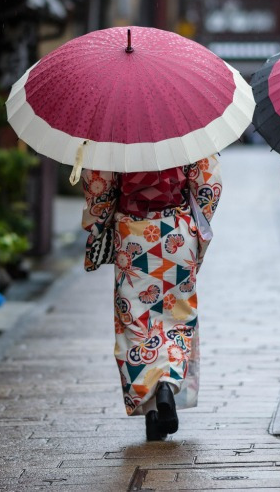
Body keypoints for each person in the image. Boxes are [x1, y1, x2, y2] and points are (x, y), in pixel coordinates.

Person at [80, 156, 221, 441]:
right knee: (177, 319)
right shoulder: (186, 125)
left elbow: (99, 190)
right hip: (176, 234)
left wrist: (101, 218)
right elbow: (209, 185)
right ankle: (167, 382)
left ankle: (152, 403)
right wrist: (195, 224)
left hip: (133, 235)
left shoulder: (114, 135)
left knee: (136, 323)